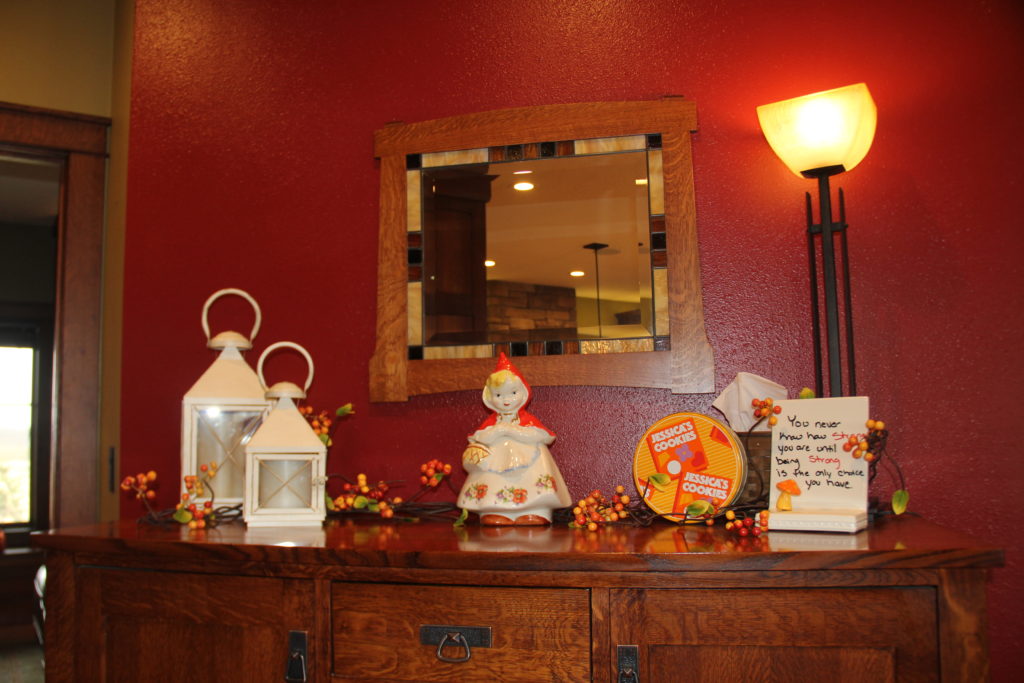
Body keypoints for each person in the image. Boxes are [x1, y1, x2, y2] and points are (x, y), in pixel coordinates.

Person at [458, 353, 571, 525]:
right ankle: (494, 510)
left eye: (512, 393)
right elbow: (479, 437)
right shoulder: (492, 422)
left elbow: (543, 435)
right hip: (494, 462)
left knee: (534, 484)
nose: (506, 400)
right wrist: (498, 431)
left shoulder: (527, 420)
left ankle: (536, 511)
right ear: (489, 397)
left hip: (529, 459)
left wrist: (512, 431)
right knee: (492, 483)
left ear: (523, 392)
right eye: (498, 395)